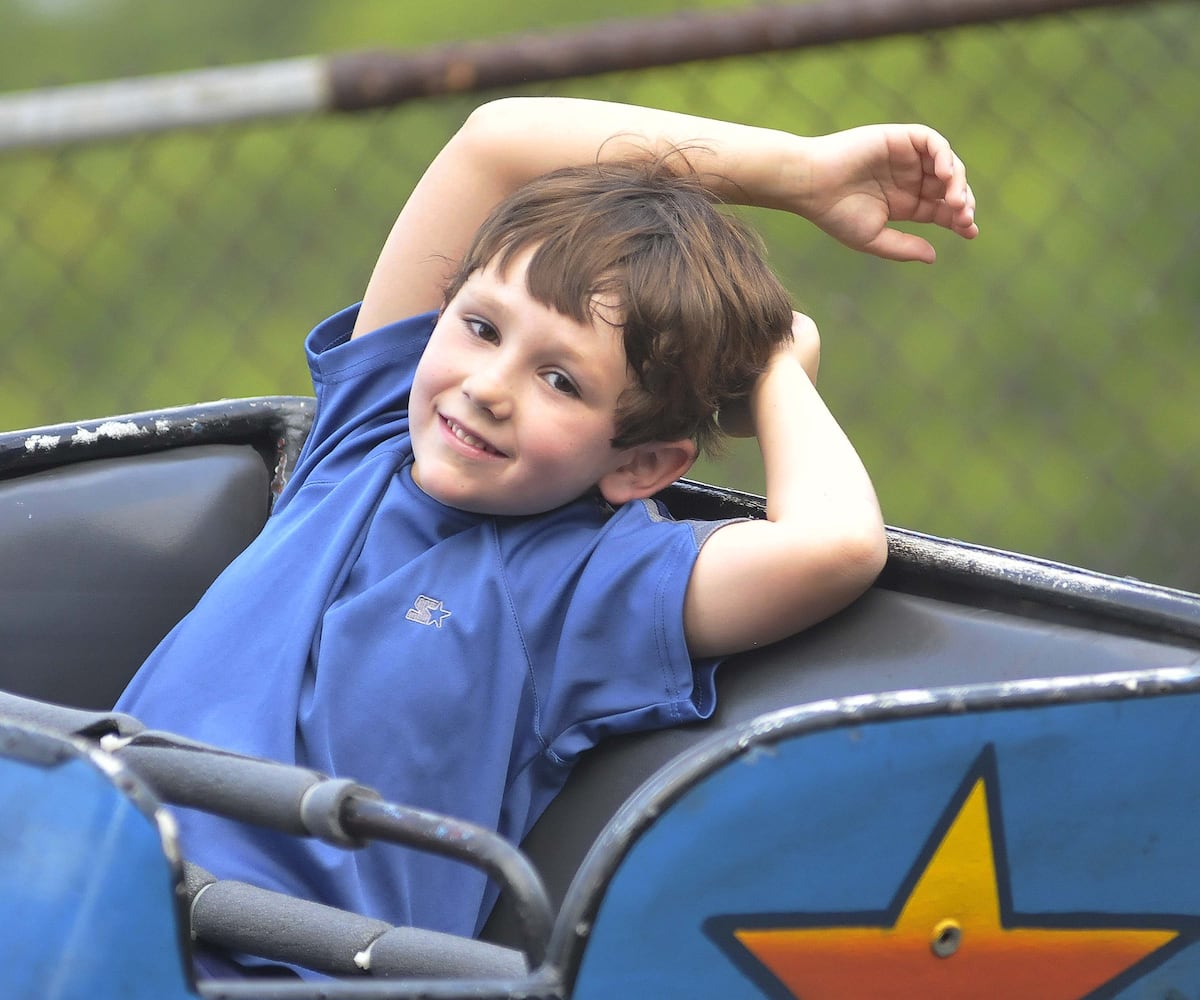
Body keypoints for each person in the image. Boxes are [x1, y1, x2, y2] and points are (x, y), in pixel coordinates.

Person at [115, 97, 977, 977]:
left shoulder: (581, 583)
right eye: (481, 327)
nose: (488, 386)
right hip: (81, 885)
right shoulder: (367, 432)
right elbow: (497, 141)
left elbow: (835, 546)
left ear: (641, 466)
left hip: (270, 971)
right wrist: (798, 174)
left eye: (560, 380)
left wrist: (778, 368)